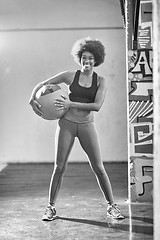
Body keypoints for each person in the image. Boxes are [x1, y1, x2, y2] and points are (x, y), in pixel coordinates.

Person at [29, 37, 124, 221]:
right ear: (79, 58)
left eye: (91, 58)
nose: (87, 61)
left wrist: (70, 102)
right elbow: (42, 84)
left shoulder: (101, 81)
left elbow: (97, 106)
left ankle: (112, 207)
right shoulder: (69, 76)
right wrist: (32, 99)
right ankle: (50, 208)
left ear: (96, 60)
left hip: (87, 125)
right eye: (84, 57)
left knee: (98, 167)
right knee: (59, 167)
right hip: (67, 124)